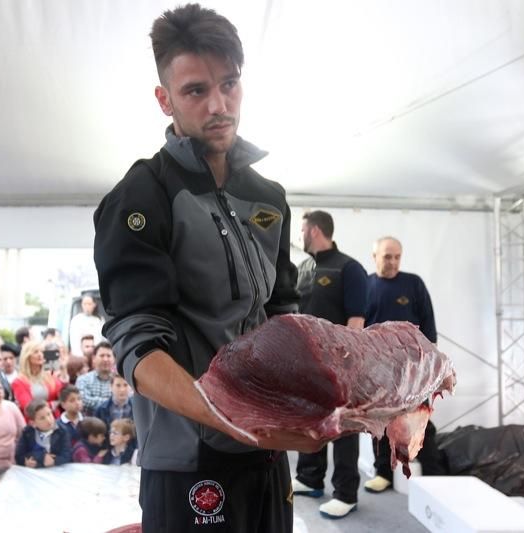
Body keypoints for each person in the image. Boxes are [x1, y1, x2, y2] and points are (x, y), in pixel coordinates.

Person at [93, 4, 316, 531]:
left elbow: (282, 313)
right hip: (188, 458)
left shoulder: (268, 196)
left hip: (265, 451)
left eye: (230, 84)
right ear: (164, 99)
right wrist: (232, 418)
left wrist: (320, 395)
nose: (219, 105)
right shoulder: (141, 195)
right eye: (195, 90)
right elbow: (138, 345)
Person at [293, 210, 368, 519]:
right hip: (308, 363)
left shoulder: (349, 268)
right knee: (311, 421)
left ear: (313, 231)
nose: (299, 237)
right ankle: (309, 478)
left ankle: (346, 492)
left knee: (343, 426)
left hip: (340, 363)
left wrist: (346, 364)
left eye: (302, 231)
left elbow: (356, 321)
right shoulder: (304, 268)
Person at [363, 236, 445, 493]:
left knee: (420, 419)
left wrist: (428, 364)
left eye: (397, 256)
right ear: (374, 256)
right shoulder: (364, 286)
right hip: (377, 369)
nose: (393, 261)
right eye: (387, 256)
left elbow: (429, 326)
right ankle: (383, 473)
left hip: (413, 368)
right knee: (380, 423)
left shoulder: (413, 284)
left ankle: (435, 474)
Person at [11, 342, 65, 418]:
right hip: (35, 422)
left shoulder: (49, 376)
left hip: (54, 419)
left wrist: (64, 371)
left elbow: (64, 394)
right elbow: (29, 407)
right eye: (36, 352)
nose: (40, 354)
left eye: (41, 352)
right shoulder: (19, 381)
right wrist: (52, 404)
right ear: (27, 356)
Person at [15, 400, 72, 468]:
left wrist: (55, 460)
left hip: (58, 470)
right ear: (33, 423)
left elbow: (67, 455)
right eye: (42, 418)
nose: (48, 420)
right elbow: (19, 456)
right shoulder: (27, 433)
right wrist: (26, 462)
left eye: (49, 414)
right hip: (36, 472)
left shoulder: (62, 431)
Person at [75, 341, 115, 415]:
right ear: (94, 358)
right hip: (89, 423)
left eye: (108, 356)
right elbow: (83, 400)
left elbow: (125, 400)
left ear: (114, 359)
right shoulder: (83, 380)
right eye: (102, 355)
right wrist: (112, 402)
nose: (105, 359)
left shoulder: (119, 380)